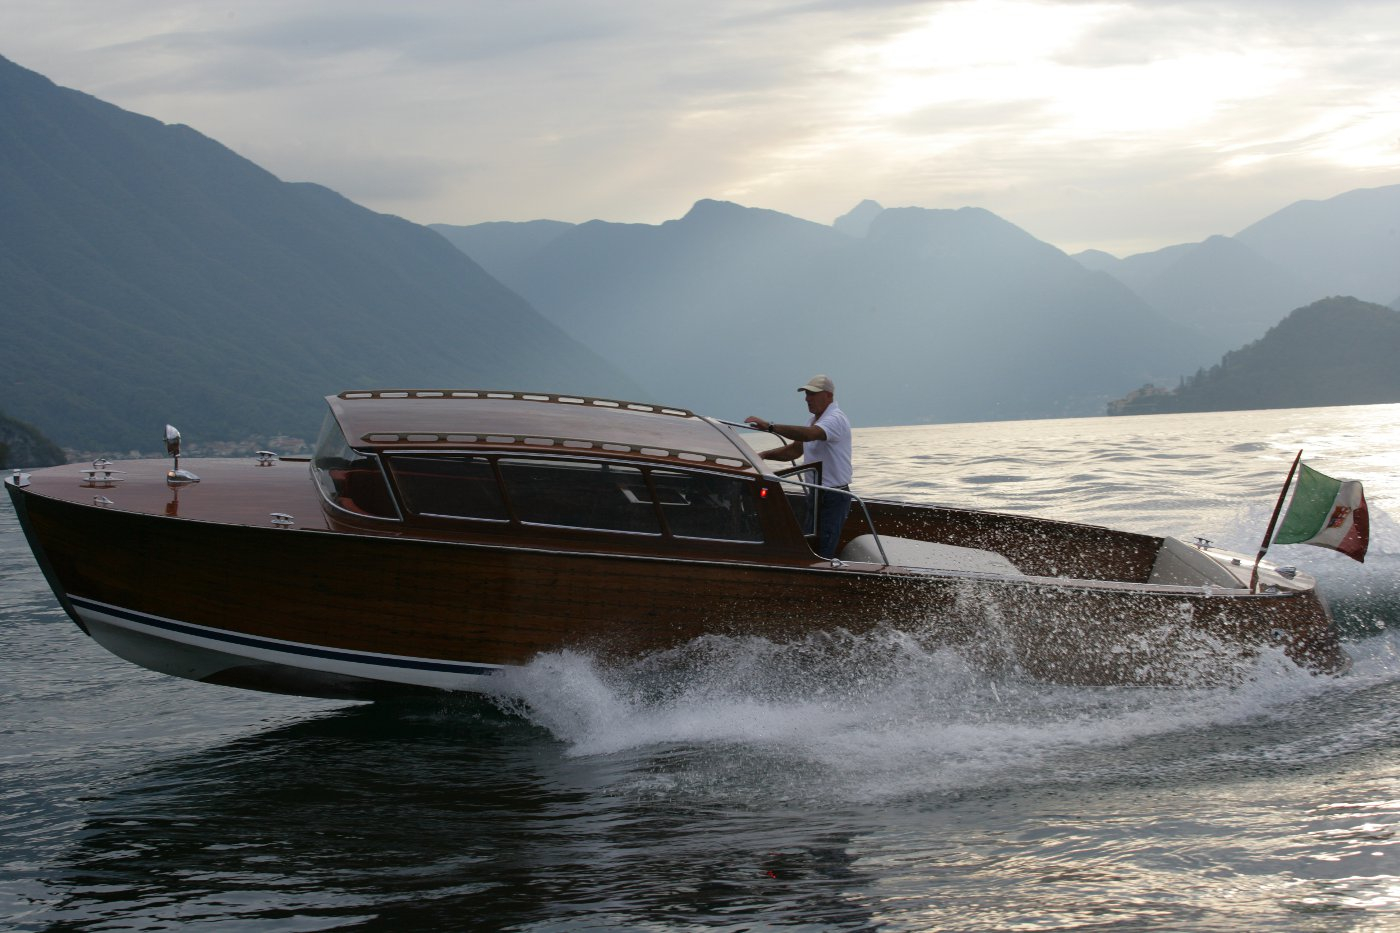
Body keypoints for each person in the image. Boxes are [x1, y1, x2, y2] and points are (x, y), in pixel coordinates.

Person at [745, 374, 853, 558]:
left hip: (834, 496)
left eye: (812, 394)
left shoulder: (835, 419)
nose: (807, 398)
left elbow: (811, 435)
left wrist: (770, 426)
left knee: (823, 551)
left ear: (828, 395)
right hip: (816, 494)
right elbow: (795, 451)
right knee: (811, 548)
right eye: (806, 394)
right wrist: (764, 455)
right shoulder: (813, 420)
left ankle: (822, 581)